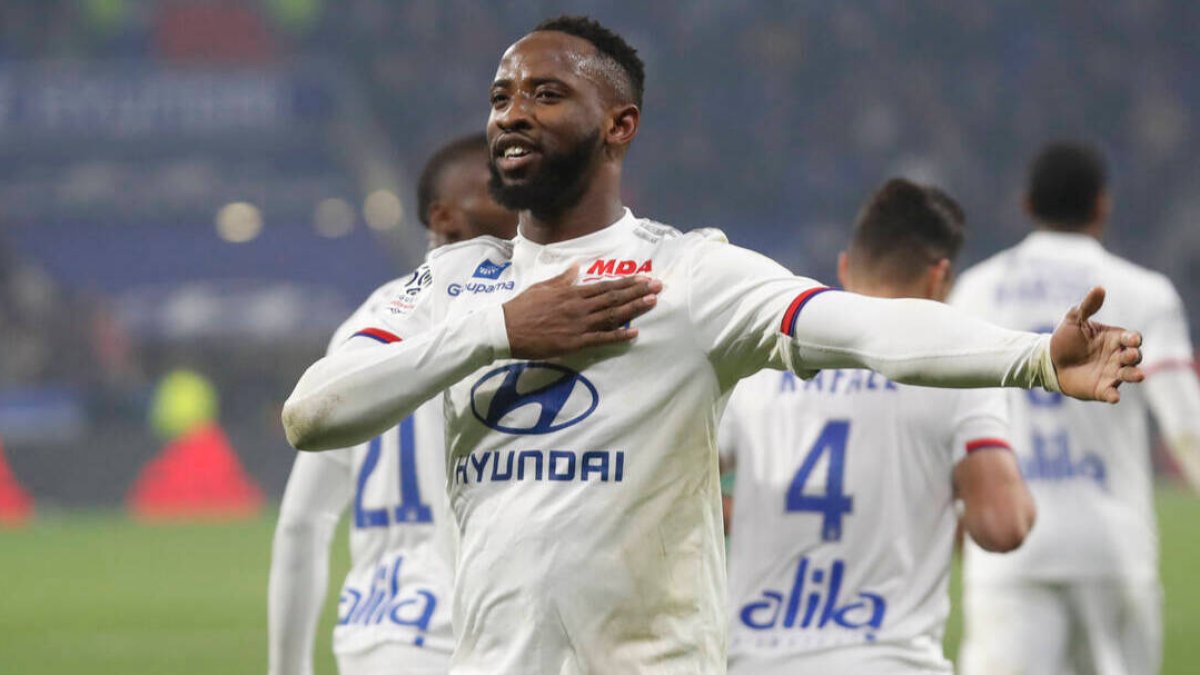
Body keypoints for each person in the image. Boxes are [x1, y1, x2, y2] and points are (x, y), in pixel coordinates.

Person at [281, 17, 1144, 673]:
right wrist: (500, 330)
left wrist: (1033, 356)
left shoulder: (687, 274)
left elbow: (861, 324)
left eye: (547, 94)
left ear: (620, 126)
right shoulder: (449, 285)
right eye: (503, 95)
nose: (513, 113)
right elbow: (312, 412)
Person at [719, 179, 1035, 674]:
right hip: (889, 659)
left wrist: (753, 512)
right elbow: (1002, 525)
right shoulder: (958, 373)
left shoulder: (763, 367)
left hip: (758, 659)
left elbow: (675, 487)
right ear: (940, 278)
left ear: (845, 267)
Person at [267, 133, 517, 675]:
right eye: (499, 190)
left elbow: (302, 523)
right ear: (444, 215)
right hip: (464, 633)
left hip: (373, 635)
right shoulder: (514, 314)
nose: (521, 202)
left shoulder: (364, 325)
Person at [955, 142, 1200, 675]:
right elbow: (1188, 429)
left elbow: (942, 418)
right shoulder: (1144, 293)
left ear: (1025, 205)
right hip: (1112, 547)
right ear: (1102, 206)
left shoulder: (974, 292)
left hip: (1010, 547)